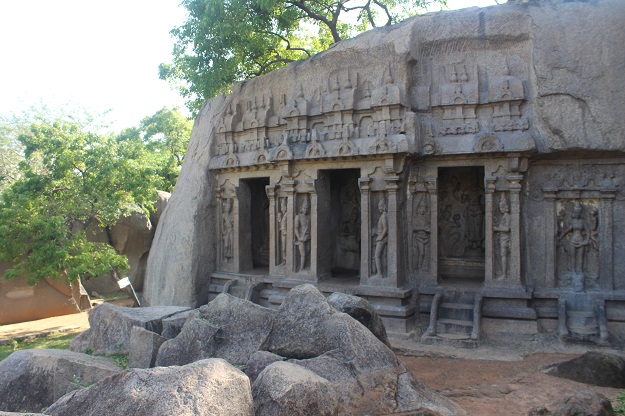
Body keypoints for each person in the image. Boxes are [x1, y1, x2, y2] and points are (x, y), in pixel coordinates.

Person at [294, 198, 311, 272]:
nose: (306, 210)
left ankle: (305, 266)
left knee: (307, 253)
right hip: (302, 238)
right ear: (301, 208)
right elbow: (296, 228)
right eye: (304, 208)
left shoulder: (309, 217)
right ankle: (301, 268)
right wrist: (299, 237)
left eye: (307, 209)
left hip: (308, 238)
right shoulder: (298, 217)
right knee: (303, 254)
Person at [373, 198, 388, 277]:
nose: (379, 208)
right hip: (380, 236)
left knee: (377, 256)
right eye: (378, 206)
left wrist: (381, 237)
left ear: (384, 206)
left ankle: (379, 273)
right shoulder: (383, 215)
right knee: (379, 256)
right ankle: (379, 273)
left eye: (380, 206)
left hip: (382, 239)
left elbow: (385, 228)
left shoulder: (384, 216)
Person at [278, 198, 288, 265]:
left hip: (286, 233)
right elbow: (281, 225)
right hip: (282, 232)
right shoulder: (282, 215)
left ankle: (286, 260)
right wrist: (279, 220)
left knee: (285, 248)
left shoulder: (287, 214)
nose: (282, 208)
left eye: (283, 207)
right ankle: (284, 260)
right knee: (283, 248)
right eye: (281, 207)